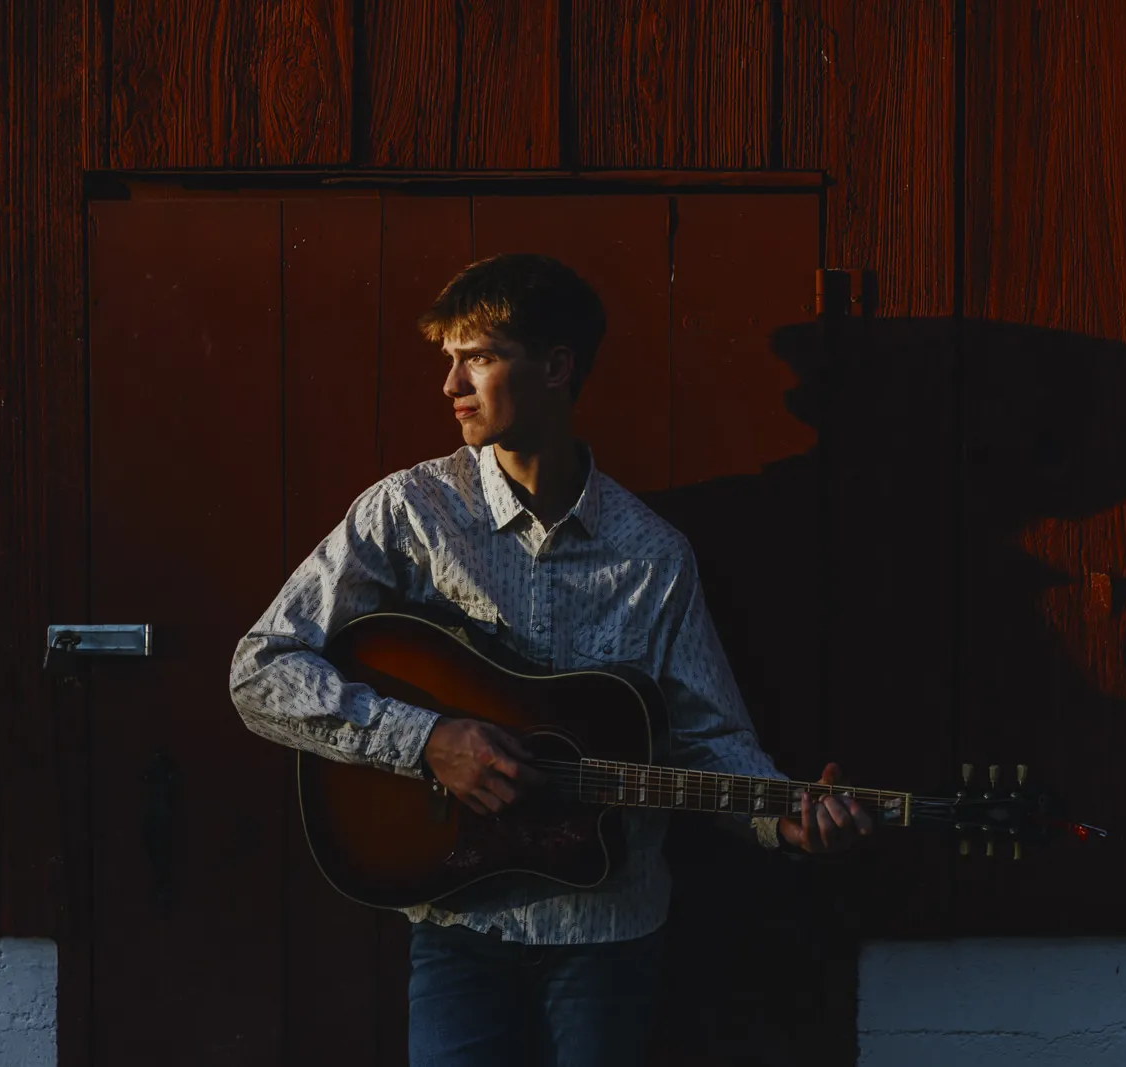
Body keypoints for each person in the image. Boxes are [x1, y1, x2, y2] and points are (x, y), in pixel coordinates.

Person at [227, 252, 872, 1067]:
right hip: (459, 917)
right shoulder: (410, 514)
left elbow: (707, 737)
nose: (451, 385)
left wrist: (783, 818)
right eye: (448, 360)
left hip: (607, 931)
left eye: (478, 358)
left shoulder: (652, 556)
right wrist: (427, 739)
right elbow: (262, 668)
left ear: (557, 367)